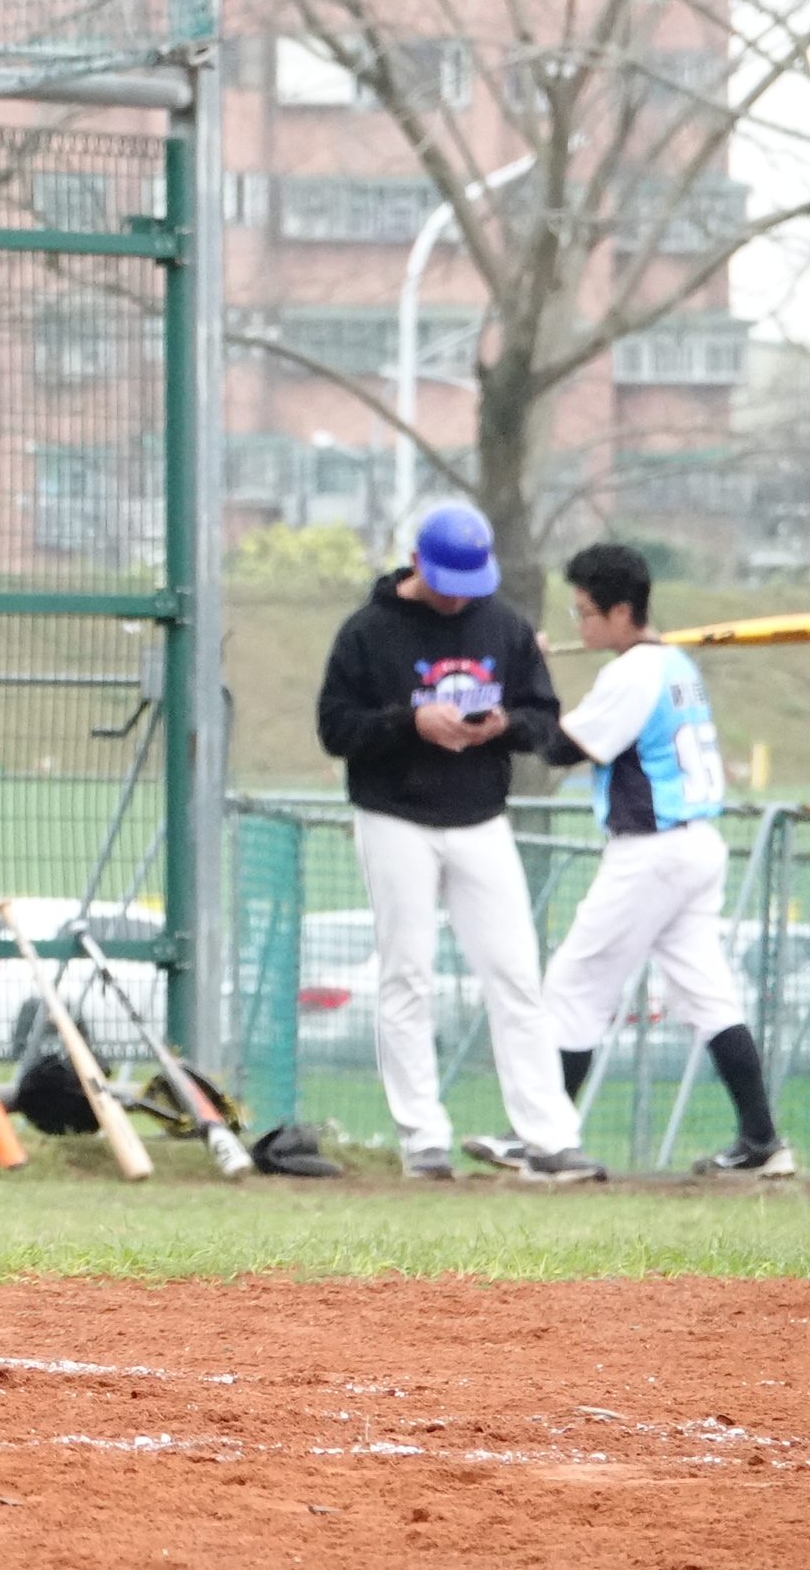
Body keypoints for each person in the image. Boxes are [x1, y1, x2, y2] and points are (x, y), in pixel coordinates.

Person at [311, 502, 591, 1181]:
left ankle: (548, 1138)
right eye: (447, 584)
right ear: (417, 563)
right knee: (406, 975)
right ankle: (423, 1140)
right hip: (395, 817)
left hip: (481, 818)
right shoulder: (367, 631)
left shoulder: (505, 624)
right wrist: (411, 723)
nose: (459, 599)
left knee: (515, 974)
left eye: (470, 585)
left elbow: (542, 718)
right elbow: (335, 728)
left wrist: (502, 726)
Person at [539, 543, 790, 1177]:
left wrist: (530, 678)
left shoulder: (633, 672)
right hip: (694, 846)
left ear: (623, 612)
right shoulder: (674, 663)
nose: (580, 625)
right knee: (707, 994)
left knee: (573, 986)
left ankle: (544, 1140)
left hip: (651, 853)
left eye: (586, 613)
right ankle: (762, 1141)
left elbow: (560, 749)